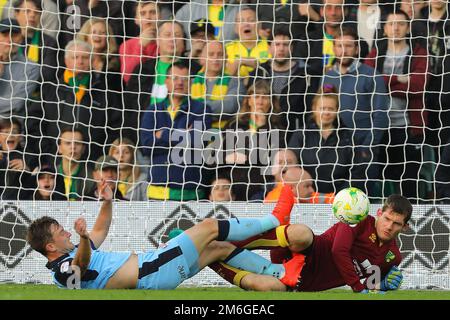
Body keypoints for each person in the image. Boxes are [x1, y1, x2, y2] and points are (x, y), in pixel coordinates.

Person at [26, 183, 300, 290]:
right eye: (60, 232)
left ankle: (280, 275)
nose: (65, 232)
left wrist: (107, 202)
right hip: (150, 270)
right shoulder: (62, 270)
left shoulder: (74, 250)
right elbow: (80, 266)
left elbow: (99, 231)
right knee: (208, 227)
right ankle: (275, 219)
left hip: (155, 274)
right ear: (50, 246)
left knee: (218, 248)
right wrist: (84, 238)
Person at [212, 192, 411, 293]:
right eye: (387, 219)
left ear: (404, 227)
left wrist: (383, 285)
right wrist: (358, 288)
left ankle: (210, 256)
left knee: (263, 286)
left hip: (300, 283)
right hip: (304, 252)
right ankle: (234, 241)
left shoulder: (393, 257)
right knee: (302, 233)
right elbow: (338, 251)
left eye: (396, 224)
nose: (389, 226)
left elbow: (371, 283)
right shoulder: (357, 219)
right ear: (379, 213)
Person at [365, 9, 428, 202]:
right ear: (384, 29)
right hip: (379, 127)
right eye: (391, 24)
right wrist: (399, 79)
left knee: (409, 182)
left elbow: (419, 85)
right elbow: (368, 83)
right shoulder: (376, 53)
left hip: (408, 127)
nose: (396, 28)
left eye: (401, 23)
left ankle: (410, 225)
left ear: (408, 28)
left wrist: (384, 84)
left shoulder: (418, 52)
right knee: (378, 180)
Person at [26, 39, 123, 163]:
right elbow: (34, 122)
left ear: (92, 61)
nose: (80, 61)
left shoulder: (105, 92)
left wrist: (99, 154)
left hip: (92, 163)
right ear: (66, 61)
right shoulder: (50, 89)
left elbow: (115, 127)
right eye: (75, 57)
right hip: (54, 162)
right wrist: (48, 151)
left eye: (85, 57)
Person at [323, 26, 389, 197]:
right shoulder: (328, 76)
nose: (343, 50)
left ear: (357, 48)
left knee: (360, 199)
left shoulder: (371, 75)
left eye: (349, 46)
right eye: (339, 46)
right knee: (335, 199)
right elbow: (321, 109)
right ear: (334, 48)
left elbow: (381, 115)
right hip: (335, 150)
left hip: (363, 149)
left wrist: (368, 147)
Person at [140, 60, 212, 201]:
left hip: (191, 191)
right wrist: (183, 134)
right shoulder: (152, 110)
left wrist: (163, 134)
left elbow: (196, 142)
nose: (180, 83)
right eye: (175, 78)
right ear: (166, 82)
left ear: (191, 83)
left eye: (184, 79)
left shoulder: (201, 110)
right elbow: (147, 145)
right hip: (157, 191)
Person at [288, 85, 353, 195]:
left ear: (337, 110)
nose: (326, 113)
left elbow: (355, 172)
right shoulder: (301, 135)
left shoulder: (347, 137)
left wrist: (340, 195)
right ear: (314, 108)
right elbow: (291, 168)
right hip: (306, 198)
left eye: (331, 109)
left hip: (338, 199)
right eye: (322, 108)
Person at [191, 40, 244, 129]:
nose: (216, 58)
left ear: (226, 58)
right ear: (201, 59)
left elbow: (229, 107)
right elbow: (182, 108)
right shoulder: (189, 83)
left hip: (224, 135)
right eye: (211, 54)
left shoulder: (235, 83)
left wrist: (195, 108)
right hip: (193, 135)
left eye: (220, 54)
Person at [0, 18, 39, 120]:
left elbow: (15, 103)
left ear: (21, 39)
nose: (9, 39)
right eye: (5, 35)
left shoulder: (31, 67)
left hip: (10, 127)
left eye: (14, 35)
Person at [13, 0, 58, 83]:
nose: (32, 15)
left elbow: (47, 75)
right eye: (27, 11)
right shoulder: (5, 38)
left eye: (37, 12)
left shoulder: (49, 43)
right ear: (16, 14)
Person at [225, 6, 271, 79]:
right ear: (235, 28)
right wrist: (239, 62)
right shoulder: (227, 49)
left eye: (251, 20)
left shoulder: (271, 46)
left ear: (259, 25)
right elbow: (224, 77)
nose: (246, 24)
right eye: (241, 21)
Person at [119, 0, 159, 85]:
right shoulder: (127, 45)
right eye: (143, 13)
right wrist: (141, 46)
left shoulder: (167, 41)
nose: (148, 17)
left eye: (153, 12)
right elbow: (127, 77)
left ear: (160, 16)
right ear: (136, 20)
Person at [54, 127, 96, 201]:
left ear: (83, 149)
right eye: (68, 143)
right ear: (59, 148)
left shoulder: (91, 178)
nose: (73, 147)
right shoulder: (50, 175)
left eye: (77, 143)